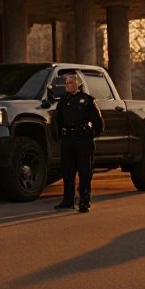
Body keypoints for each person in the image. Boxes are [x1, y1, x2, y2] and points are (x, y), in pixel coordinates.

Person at [53, 73, 104, 213]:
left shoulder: (87, 101)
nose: (68, 85)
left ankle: (84, 201)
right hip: (68, 140)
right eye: (67, 83)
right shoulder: (63, 102)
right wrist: (61, 138)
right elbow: (58, 121)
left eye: (71, 83)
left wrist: (90, 135)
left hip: (82, 140)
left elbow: (99, 123)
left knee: (84, 172)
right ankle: (67, 200)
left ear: (78, 84)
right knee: (67, 171)